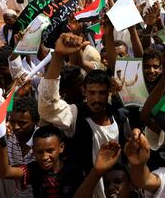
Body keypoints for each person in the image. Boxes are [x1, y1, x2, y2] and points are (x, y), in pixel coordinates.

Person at [38, 33, 119, 198]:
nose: (96, 99)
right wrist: (58, 57)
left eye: (102, 93)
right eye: (92, 93)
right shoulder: (75, 114)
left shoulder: (119, 115)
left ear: (109, 93)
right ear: (84, 91)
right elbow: (48, 105)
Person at [0, 125, 86, 198]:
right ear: (33, 150)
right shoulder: (34, 169)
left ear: (61, 147)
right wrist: (0, 140)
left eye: (50, 151)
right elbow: (4, 172)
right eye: (39, 152)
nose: (44, 157)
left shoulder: (74, 170)